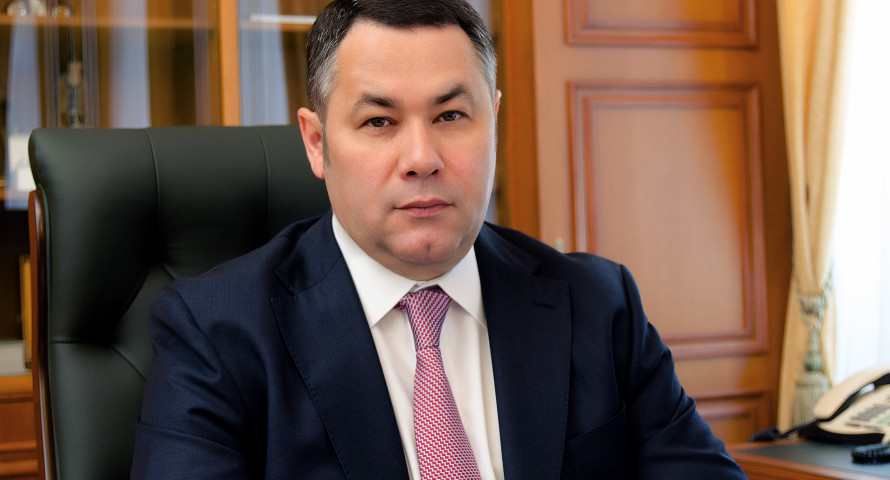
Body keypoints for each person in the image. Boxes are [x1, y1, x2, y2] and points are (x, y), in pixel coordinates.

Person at [131, 1, 746, 478]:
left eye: (451, 116)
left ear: (494, 121)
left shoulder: (599, 304)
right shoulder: (216, 333)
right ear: (316, 143)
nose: (421, 158)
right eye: (379, 121)